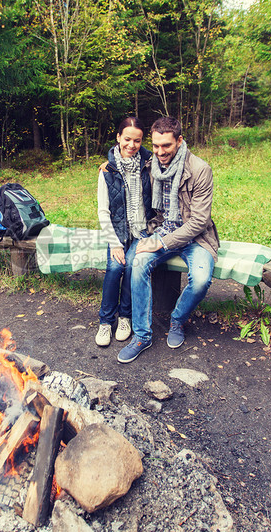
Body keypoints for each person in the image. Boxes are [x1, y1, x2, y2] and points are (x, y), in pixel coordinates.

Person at [117, 116, 219, 364]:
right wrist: (107, 164)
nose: (160, 152)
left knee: (201, 280)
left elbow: (199, 222)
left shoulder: (199, 170)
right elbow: (124, 160)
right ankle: (142, 335)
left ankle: (177, 320)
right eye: (155, 146)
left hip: (196, 238)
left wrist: (160, 243)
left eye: (166, 146)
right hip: (163, 228)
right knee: (139, 263)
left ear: (180, 141)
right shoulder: (153, 165)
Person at [95, 117, 156, 347]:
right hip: (118, 234)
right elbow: (103, 212)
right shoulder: (107, 171)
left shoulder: (149, 164)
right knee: (115, 266)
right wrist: (115, 244)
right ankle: (105, 321)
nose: (131, 145)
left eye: (137, 141)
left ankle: (125, 317)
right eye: (127, 139)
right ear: (118, 137)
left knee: (132, 265)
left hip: (142, 232)